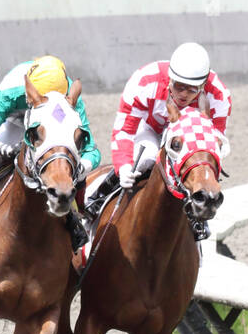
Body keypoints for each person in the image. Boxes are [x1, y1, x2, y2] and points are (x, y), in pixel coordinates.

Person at [0, 55, 100, 246]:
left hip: (53, 124)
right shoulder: (11, 91)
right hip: (15, 119)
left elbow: (90, 148)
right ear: (29, 91)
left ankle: (77, 214)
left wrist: (81, 164)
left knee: (70, 158)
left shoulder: (71, 98)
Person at [88, 41, 230, 218]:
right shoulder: (145, 81)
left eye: (192, 89)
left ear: (203, 85)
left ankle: (198, 219)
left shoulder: (218, 95)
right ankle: (98, 198)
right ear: (170, 78)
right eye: (179, 86)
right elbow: (125, 130)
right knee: (145, 158)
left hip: (189, 138)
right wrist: (123, 166)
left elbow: (214, 143)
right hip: (149, 128)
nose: (184, 94)